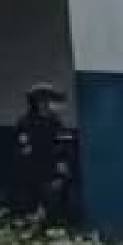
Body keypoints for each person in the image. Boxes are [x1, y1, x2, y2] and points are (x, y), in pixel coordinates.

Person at [13, 82, 74, 227]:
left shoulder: (55, 121)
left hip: (51, 170)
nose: (44, 103)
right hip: (30, 170)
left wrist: (62, 169)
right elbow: (21, 144)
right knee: (30, 205)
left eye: (47, 99)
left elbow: (61, 145)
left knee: (54, 204)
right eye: (40, 99)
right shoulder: (25, 121)